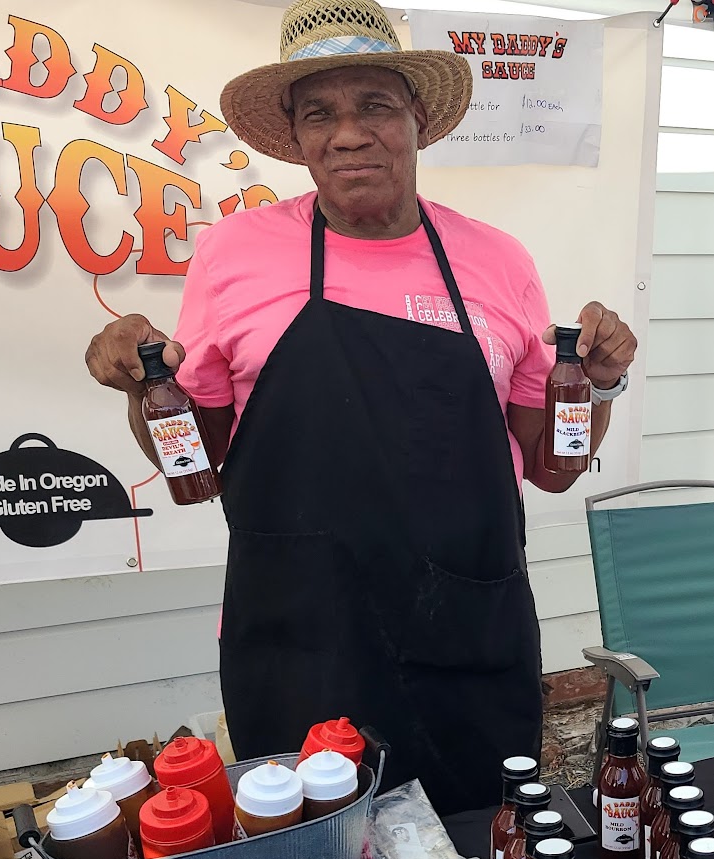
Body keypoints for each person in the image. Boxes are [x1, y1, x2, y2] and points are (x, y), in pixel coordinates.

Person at [85, 0, 637, 815]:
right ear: (297, 138)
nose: (348, 134)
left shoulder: (495, 259)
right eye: (320, 115)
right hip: (299, 633)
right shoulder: (234, 253)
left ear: (417, 119)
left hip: (465, 627)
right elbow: (191, 459)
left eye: (374, 105)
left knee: (479, 846)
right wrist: (140, 384)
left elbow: (547, 469)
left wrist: (598, 383)